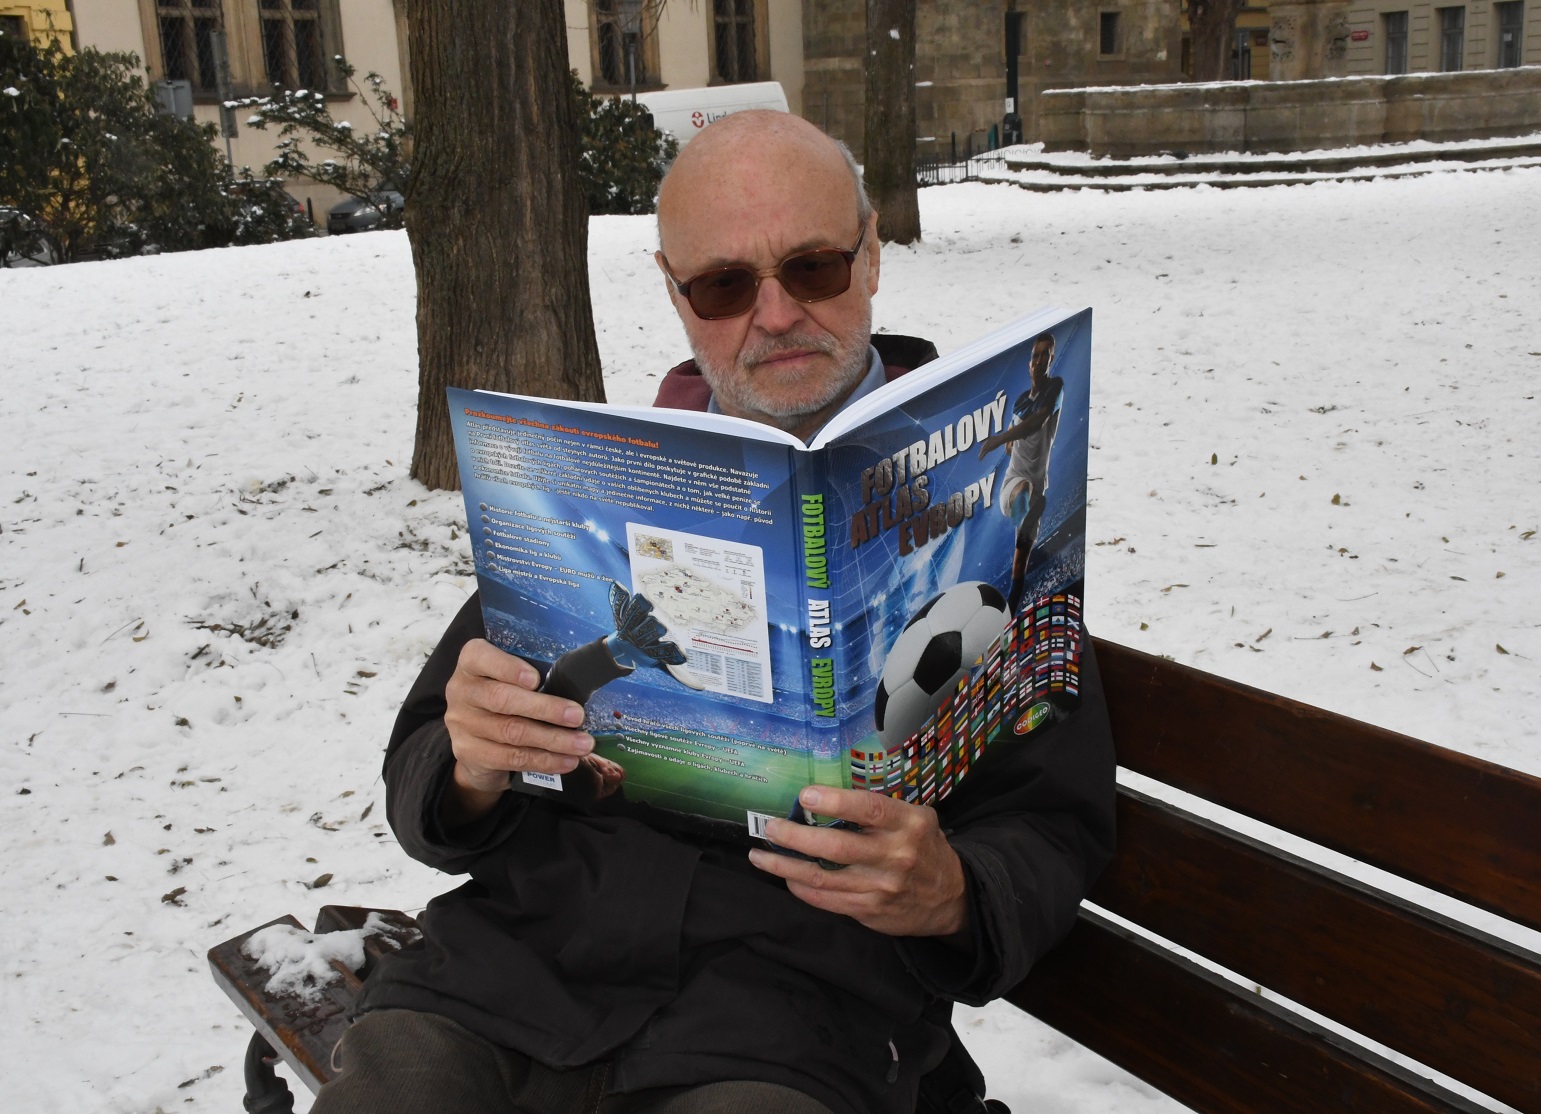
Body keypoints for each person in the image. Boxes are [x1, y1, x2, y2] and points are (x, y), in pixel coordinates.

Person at [316, 110, 1117, 1114]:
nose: (775, 315)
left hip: (794, 1025)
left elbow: (1052, 819)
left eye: (813, 267)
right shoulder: (596, 487)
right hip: (504, 986)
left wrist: (955, 890)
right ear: (675, 291)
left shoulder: (987, 499)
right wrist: (470, 765)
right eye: (726, 285)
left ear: (871, 254)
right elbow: (425, 771)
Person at [979, 333, 1064, 615]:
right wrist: (1008, 443)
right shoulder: (1019, 402)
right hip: (1015, 483)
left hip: (1037, 487)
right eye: (1034, 355)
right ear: (1029, 363)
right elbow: (1013, 442)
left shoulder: (1055, 388)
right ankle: (1025, 514)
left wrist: (1000, 439)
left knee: (1019, 565)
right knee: (1023, 487)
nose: (1038, 360)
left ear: (1051, 359)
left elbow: (1037, 422)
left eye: (1044, 355)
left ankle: (1010, 616)